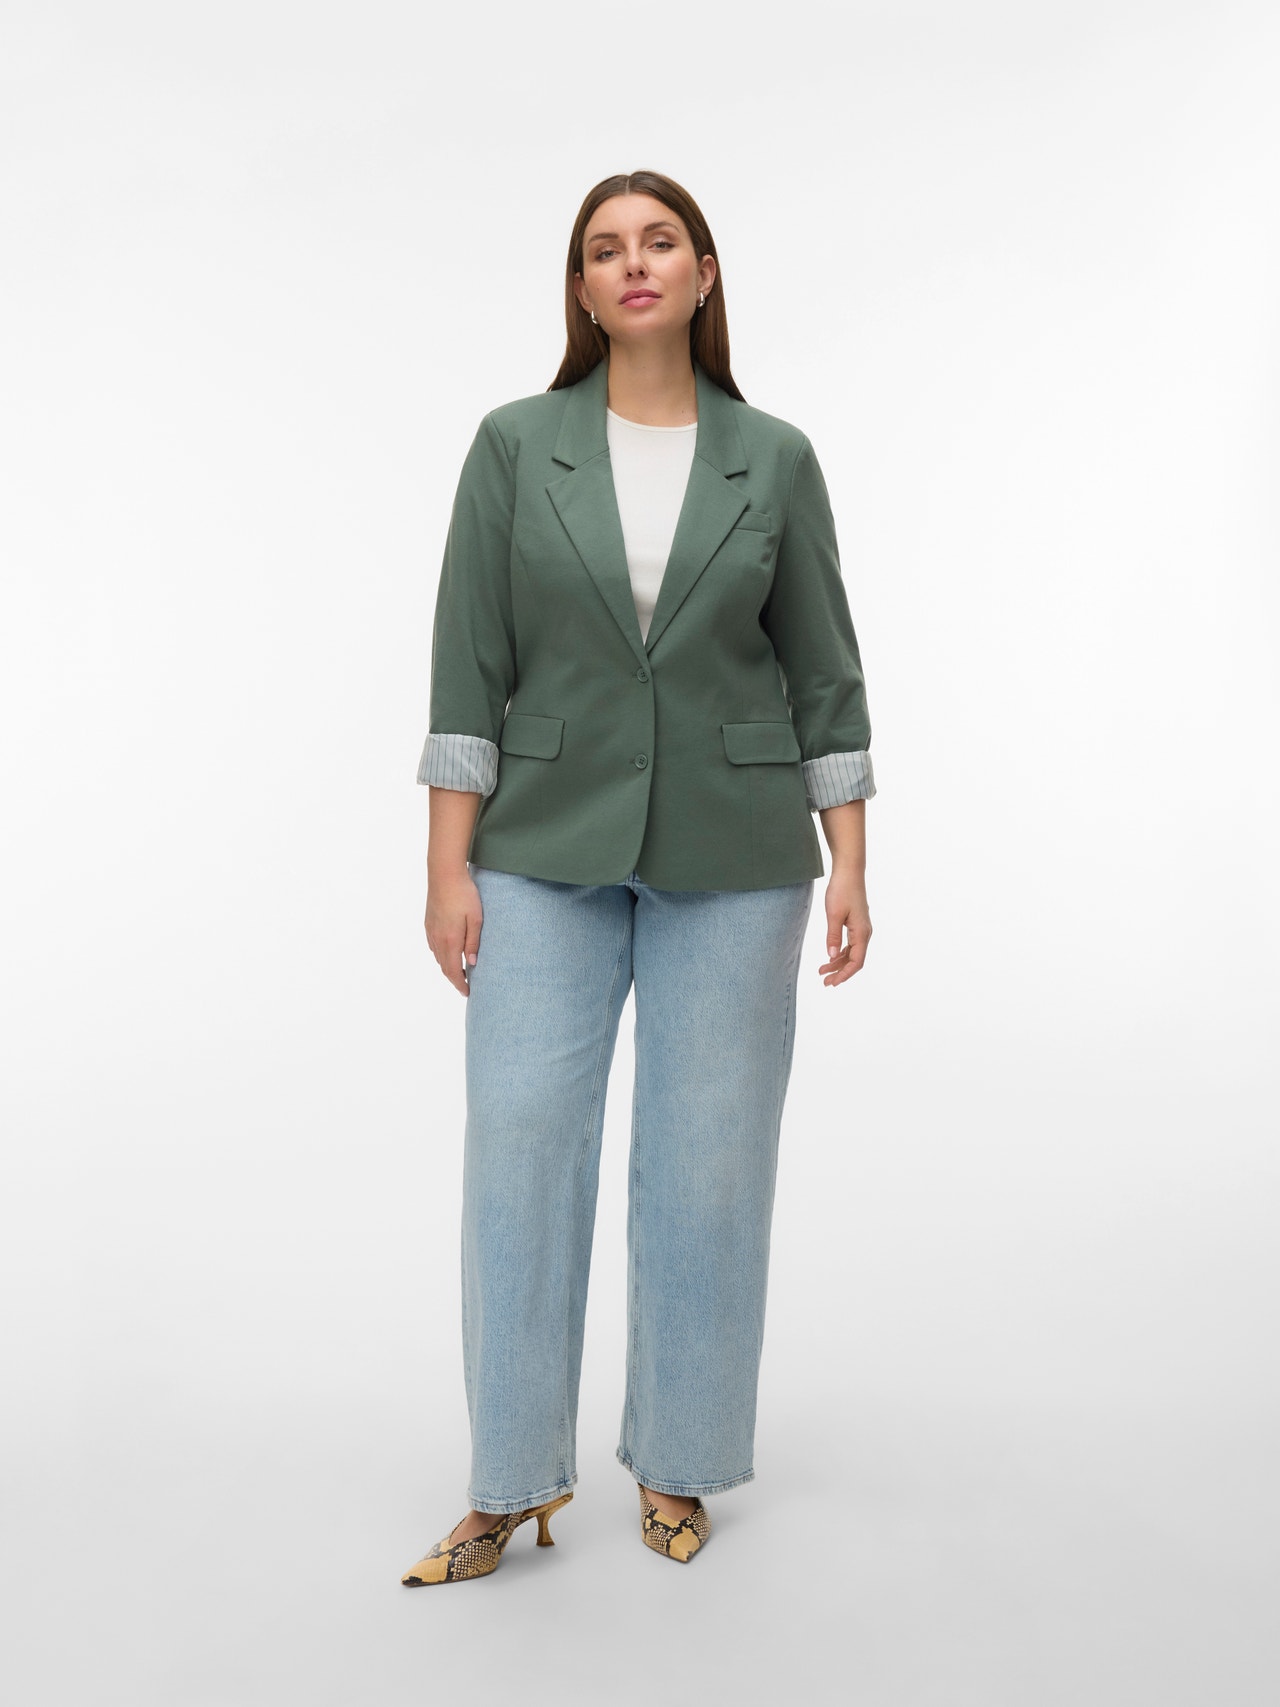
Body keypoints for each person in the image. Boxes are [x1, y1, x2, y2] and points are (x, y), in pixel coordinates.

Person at [401, 169, 876, 1585]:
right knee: (519, 1150)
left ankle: (680, 1458)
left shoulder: (774, 458)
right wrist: (445, 865)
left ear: (704, 272)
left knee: (710, 1164)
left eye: (660, 240)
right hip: (539, 848)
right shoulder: (514, 446)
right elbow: (467, 664)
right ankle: (509, 1482)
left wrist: (849, 856)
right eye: (605, 249)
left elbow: (826, 669)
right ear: (583, 289)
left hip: (737, 854)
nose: (635, 263)